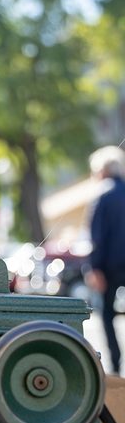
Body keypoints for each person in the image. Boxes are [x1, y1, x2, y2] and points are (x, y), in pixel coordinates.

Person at [86, 145, 125, 375]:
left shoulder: (102, 195)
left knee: (108, 315)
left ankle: (116, 363)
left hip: (109, 266)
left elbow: (97, 237)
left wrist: (95, 267)